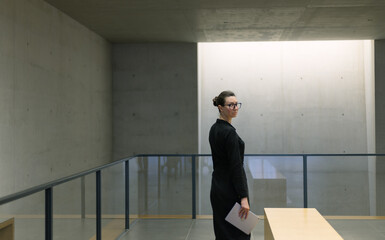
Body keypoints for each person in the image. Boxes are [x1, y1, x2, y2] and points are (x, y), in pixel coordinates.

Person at [209, 90, 250, 240]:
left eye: (236, 104)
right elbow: (236, 167)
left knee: (223, 234)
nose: (235, 107)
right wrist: (243, 197)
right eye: (230, 105)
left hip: (218, 189)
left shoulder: (214, 129)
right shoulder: (229, 133)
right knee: (240, 234)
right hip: (231, 191)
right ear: (220, 107)